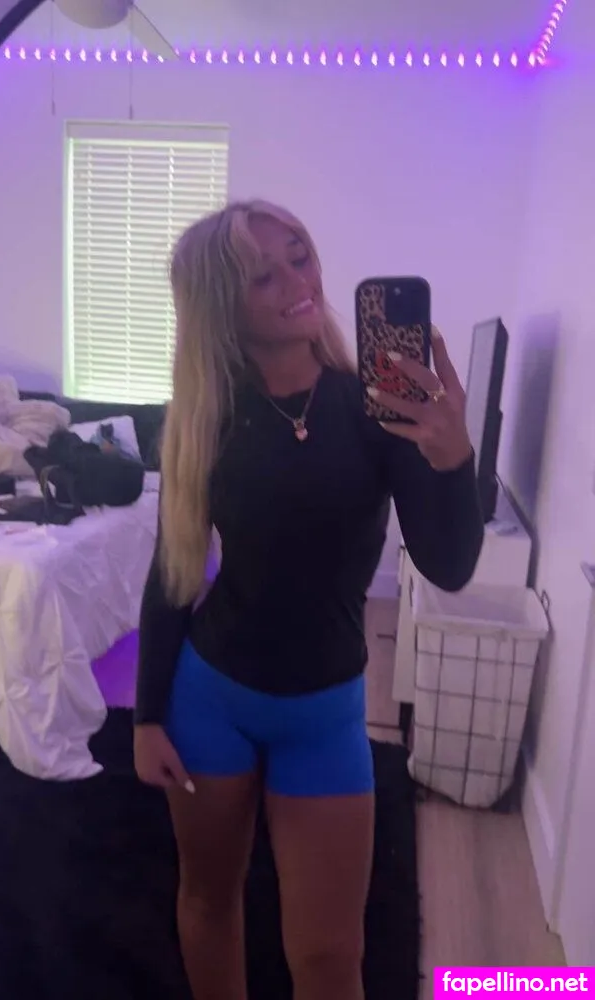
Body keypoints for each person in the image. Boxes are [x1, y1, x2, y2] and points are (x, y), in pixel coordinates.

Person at [134, 199, 484, 1000]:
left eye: (300, 255)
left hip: (326, 713)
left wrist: (453, 457)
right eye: (264, 276)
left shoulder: (375, 409)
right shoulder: (207, 417)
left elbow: (449, 565)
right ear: (223, 306)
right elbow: (174, 569)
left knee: (331, 957)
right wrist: (148, 715)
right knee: (209, 897)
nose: (299, 282)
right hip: (211, 699)